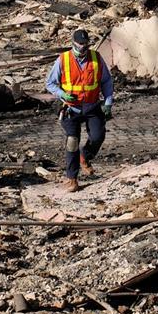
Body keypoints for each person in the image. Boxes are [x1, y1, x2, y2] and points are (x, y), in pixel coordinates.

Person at [44, 29, 113, 192]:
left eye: (85, 44)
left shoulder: (96, 58)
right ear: (73, 43)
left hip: (92, 105)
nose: (83, 47)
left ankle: (85, 156)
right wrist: (63, 95)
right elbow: (50, 83)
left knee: (98, 136)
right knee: (72, 141)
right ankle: (72, 178)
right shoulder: (63, 60)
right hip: (71, 108)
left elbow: (107, 81)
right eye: (80, 44)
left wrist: (108, 102)